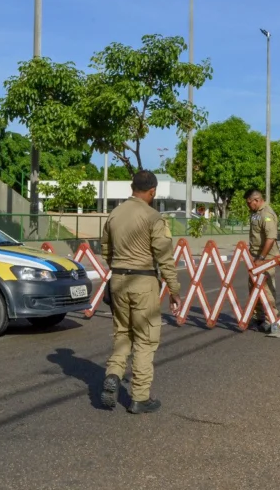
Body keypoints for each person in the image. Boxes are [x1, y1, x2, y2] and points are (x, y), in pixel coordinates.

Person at [99, 170, 182, 414]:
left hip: (118, 280)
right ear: (153, 191)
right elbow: (164, 257)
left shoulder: (115, 214)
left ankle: (113, 373)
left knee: (122, 334)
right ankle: (139, 397)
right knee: (145, 340)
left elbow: (106, 250)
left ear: (131, 187)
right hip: (143, 282)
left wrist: (118, 268)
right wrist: (174, 289)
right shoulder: (153, 217)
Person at [244, 189, 279, 333]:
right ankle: (258, 317)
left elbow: (271, 238)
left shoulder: (267, 214)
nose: (248, 206)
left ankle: (272, 320)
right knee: (253, 287)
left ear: (257, 200)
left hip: (266, 258)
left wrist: (262, 258)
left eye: (249, 203)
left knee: (266, 289)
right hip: (256, 256)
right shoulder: (256, 213)